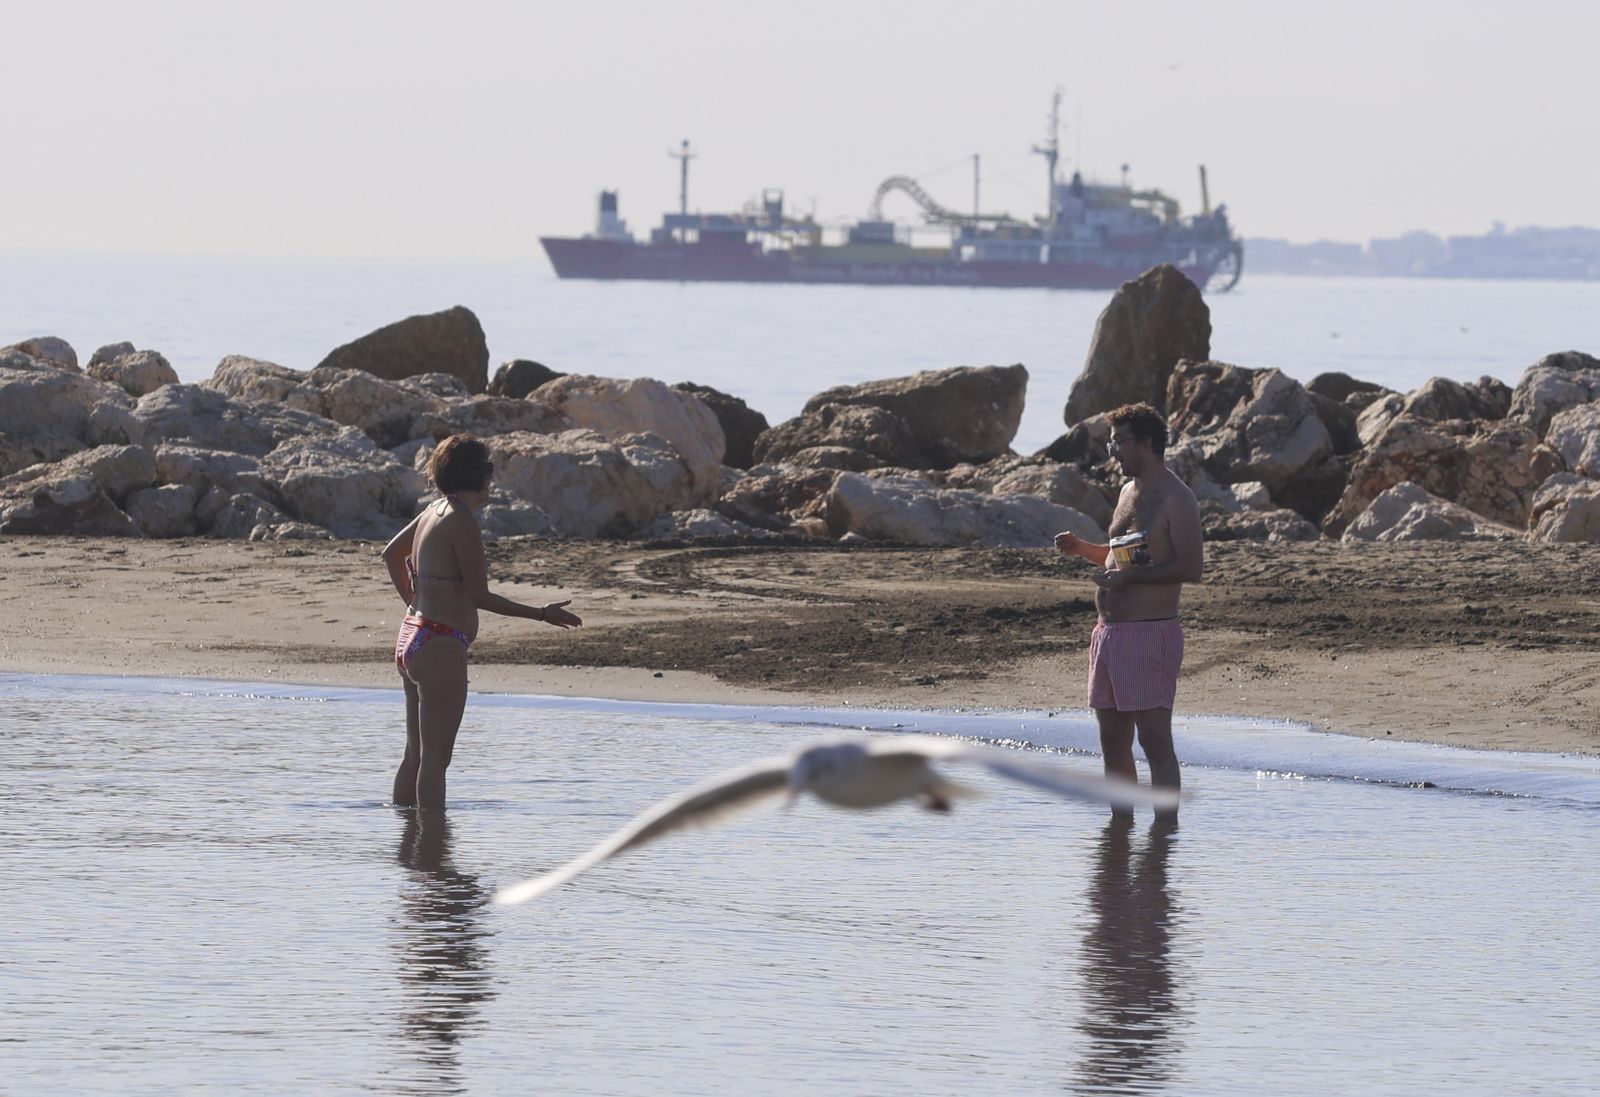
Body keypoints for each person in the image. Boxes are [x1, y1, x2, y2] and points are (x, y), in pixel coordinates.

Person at [382, 434, 581, 810]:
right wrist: (542, 614)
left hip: (413, 634)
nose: (492, 477)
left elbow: (391, 555)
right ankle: (433, 858)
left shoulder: (433, 511)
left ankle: (408, 849)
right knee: (436, 761)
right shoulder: (462, 521)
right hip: (440, 643)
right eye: (488, 468)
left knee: (415, 755)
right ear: (476, 475)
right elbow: (479, 596)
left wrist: (414, 601)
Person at [1054, 403, 1202, 815]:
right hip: (1109, 634)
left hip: (1150, 633)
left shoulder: (1177, 497)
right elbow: (1122, 557)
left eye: (1120, 442)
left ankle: (1164, 837)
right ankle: (1119, 834)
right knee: (1112, 740)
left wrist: (1132, 580)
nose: (1112, 451)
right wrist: (1083, 549)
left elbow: (1192, 567)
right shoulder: (1126, 493)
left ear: (1148, 443)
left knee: (1155, 741)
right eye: (1111, 442)